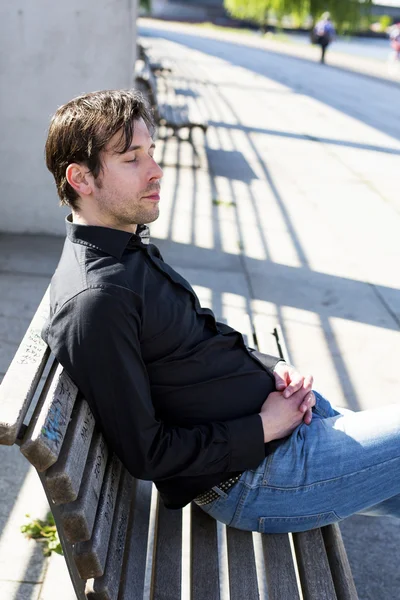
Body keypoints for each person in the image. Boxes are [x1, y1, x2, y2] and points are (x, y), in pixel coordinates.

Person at [43, 89, 400, 534]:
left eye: (151, 153)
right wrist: (263, 426)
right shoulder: (97, 300)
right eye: (132, 159)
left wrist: (274, 367)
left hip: (281, 431)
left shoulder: (123, 249)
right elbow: (147, 453)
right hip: (260, 477)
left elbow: (200, 335)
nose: (156, 171)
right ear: (82, 179)